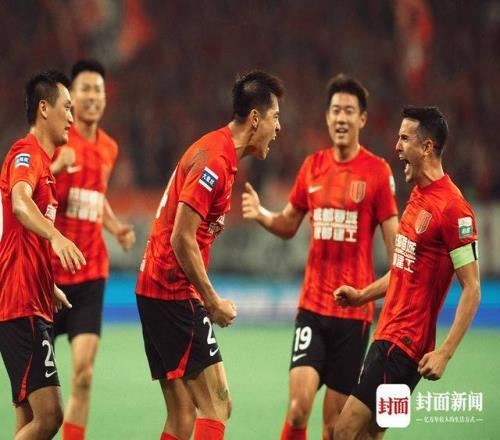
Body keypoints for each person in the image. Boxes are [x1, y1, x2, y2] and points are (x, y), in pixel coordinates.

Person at [241, 74, 398, 440]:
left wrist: (383, 293)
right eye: (335, 110)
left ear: (362, 119)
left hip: (353, 317)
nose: (341, 118)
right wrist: (262, 214)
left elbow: (398, 254)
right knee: (298, 408)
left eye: (349, 111)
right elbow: (289, 223)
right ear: (327, 117)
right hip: (312, 307)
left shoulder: (377, 172)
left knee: (333, 427)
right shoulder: (313, 166)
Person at [135, 70, 284, 440]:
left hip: (154, 288)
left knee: (183, 415)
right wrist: (212, 301)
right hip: (172, 291)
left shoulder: (219, 153)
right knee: (218, 406)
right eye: (275, 117)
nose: (278, 128)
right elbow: (181, 237)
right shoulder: (214, 162)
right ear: (255, 119)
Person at [333, 106, 481, 439]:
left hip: (402, 347)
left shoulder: (454, 209)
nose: (396, 146)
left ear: (426, 147)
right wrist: (361, 296)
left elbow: (472, 289)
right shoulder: (417, 195)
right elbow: (403, 269)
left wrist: (444, 353)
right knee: (371, 435)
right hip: (388, 337)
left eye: (404, 138)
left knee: (343, 432)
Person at [49, 59, 136, 440]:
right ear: (71, 97)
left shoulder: (109, 148)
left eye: (97, 90)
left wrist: (115, 227)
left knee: (83, 374)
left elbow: (95, 197)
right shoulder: (56, 143)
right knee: (37, 382)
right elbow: (28, 193)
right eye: (84, 89)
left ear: (104, 97)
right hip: (50, 276)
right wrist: (55, 167)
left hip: (90, 274)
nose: (92, 96)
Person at [0, 70, 86, 439]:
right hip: (20, 304)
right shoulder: (26, 154)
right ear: (44, 108)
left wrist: (48, 286)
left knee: (28, 417)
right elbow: (20, 205)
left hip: (31, 298)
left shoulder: (43, 167)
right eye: (67, 108)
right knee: (50, 415)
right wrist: (57, 236)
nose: (72, 118)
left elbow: (18, 236)